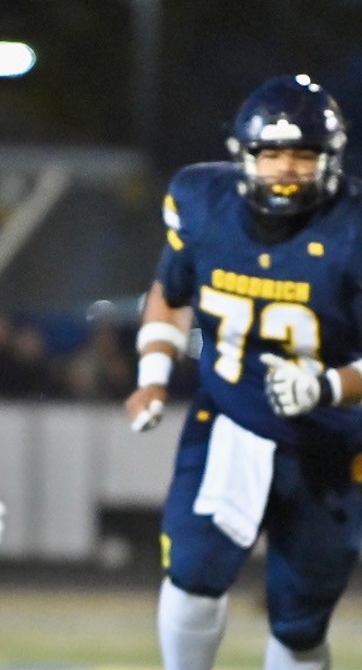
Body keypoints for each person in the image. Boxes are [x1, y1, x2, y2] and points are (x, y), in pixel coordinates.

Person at [125, 74, 362, 670]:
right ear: (244, 156)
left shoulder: (352, 229)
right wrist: (153, 373)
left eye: (303, 155)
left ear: (329, 160)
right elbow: (171, 293)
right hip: (230, 417)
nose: (286, 169)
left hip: (332, 441)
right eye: (273, 153)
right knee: (191, 574)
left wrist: (329, 385)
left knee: (299, 620)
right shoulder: (204, 202)